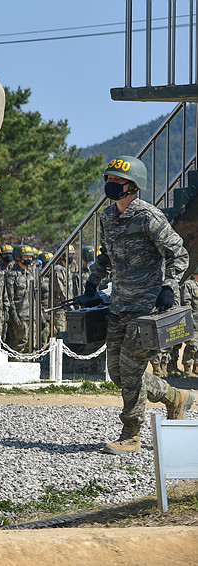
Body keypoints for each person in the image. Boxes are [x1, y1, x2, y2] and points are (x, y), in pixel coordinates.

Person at [80, 155, 195, 455]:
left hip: (147, 309)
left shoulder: (149, 217)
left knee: (131, 370)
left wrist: (169, 286)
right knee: (118, 373)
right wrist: (93, 283)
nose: (110, 185)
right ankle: (174, 397)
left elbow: (179, 254)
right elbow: (107, 255)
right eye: (108, 180)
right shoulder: (108, 217)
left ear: (132, 187)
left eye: (116, 181)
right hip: (119, 305)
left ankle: (131, 434)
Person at [4, 244, 36, 353]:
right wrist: (13, 315)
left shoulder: (31, 274)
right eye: (26, 257)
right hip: (19, 315)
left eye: (30, 257)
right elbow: (9, 298)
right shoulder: (11, 275)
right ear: (18, 258)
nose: (30, 259)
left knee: (30, 345)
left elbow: (34, 297)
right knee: (19, 344)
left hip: (31, 315)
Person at [181, 269, 198, 377]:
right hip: (193, 321)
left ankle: (196, 368)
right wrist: (190, 319)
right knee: (192, 345)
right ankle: (187, 368)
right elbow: (186, 303)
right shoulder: (188, 284)